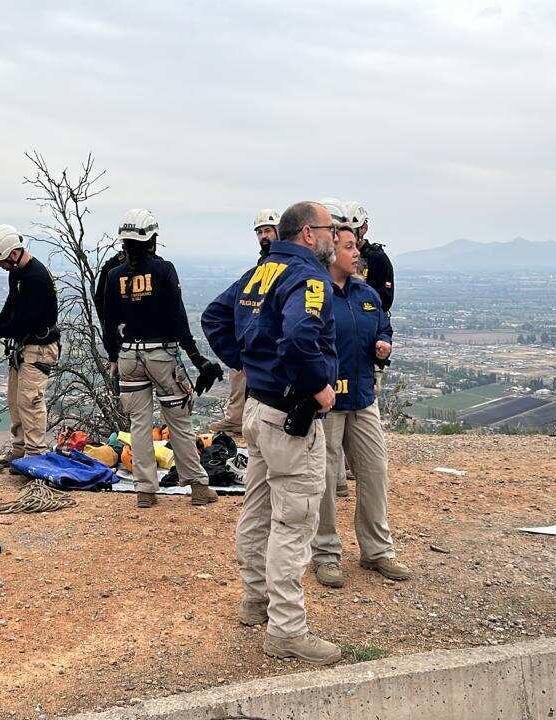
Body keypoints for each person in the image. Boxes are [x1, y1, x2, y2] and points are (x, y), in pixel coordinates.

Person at [201, 200, 341, 666]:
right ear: (307, 233)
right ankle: (286, 630)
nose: (335, 236)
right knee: (294, 521)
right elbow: (302, 337)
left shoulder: (261, 272)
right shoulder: (306, 276)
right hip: (289, 415)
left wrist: (246, 363)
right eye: (329, 228)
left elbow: (214, 318)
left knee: (258, 507)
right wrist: (319, 387)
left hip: (259, 410)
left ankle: (254, 601)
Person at [102, 209, 222, 508]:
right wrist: (197, 360)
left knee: (139, 423)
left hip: (129, 354)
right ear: (152, 238)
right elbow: (179, 320)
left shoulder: (115, 275)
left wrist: (114, 354)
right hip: (162, 355)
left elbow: (108, 321)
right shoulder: (164, 270)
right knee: (178, 421)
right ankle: (197, 486)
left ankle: (145, 491)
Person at [310, 225, 409, 588]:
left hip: (364, 399)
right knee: (323, 480)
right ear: (330, 249)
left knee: (374, 472)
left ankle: (377, 551)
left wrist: (383, 343)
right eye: (350, 247)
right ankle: (325, 553)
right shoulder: (313, 294)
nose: (357, 254)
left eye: (357, 247)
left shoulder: (366, 293)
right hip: (329, 401)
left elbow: (384, 326)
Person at [0, 224, 60, 466]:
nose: (0, 265)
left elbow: (25, 320)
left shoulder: (36, 277)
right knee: (15, 400)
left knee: (30, 400)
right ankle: (20, 448)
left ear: (14, 253)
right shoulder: (17, 273)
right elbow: (11, 306)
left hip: (39, 346)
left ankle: (35, 453)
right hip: (24, 345)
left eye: (2, 260)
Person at [208, 208, 279, 437]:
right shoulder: (257, 270)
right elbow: (214, 314)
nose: (263, 236)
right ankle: (236, 421)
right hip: (252, 344)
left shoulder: (288, 269)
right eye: (259, 232)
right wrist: (236, 356)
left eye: (267, 230)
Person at [343, 201, 394, 313]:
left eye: (350, 231)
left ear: (363, 228)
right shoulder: (335, 257)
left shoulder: (377, 258)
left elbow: (385, 302)